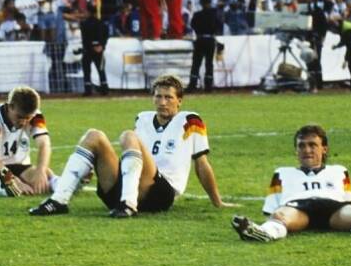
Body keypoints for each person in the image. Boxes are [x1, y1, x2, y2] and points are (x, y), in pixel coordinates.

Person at [30, 74, 228, 217]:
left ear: (179, 101)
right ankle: (59, 200)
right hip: (129, 187)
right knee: (94, 136)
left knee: (128, 136)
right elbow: (132, 158)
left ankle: (128, 203)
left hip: (161, 192)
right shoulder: (143, 118)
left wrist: (216, 201)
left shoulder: (190, 120)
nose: (162, 102)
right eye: (158, 96)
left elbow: (202, 164)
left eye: (168, 97)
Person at [231, 124, 351, 242]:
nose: (307, 150)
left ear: (324, 149)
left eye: (312, 145)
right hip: (299, 210)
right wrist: (275, 220)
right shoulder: (282, 173)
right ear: (295, 150)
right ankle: (261, 233)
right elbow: (271, 210)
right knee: (280, 215)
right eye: (301, 146)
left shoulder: (339, 171)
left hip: (334, 210)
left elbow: (347, 201)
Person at [0, 87, 55, 196]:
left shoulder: (35, 114)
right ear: (11, 106)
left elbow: (44, 144)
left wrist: (41, 171)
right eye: (19, 117)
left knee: (46, 173)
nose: (23, 122)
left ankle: (62, 184)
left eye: (27, 118)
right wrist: (15, 181)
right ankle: (1, 188)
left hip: (19, 165)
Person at [189, 0, 223, 93]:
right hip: (210, 40)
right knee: (209, 63)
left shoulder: (197, 15)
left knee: (196, 63)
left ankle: (193, 84)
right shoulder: (214, 14)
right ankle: (208, 85)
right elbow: (219, 25)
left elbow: (193, 25)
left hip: (200, 40)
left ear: (201, 4)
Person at [79, 7, 109, 96]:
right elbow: (106, 36)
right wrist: (101, 46)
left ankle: (88, 89)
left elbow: (85, 38)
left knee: (87, 70)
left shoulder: (84, 24)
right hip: (99, 49)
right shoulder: (102, 23)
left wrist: (90, 46)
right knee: (101, 69)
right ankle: (104, 88)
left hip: (88, 50)